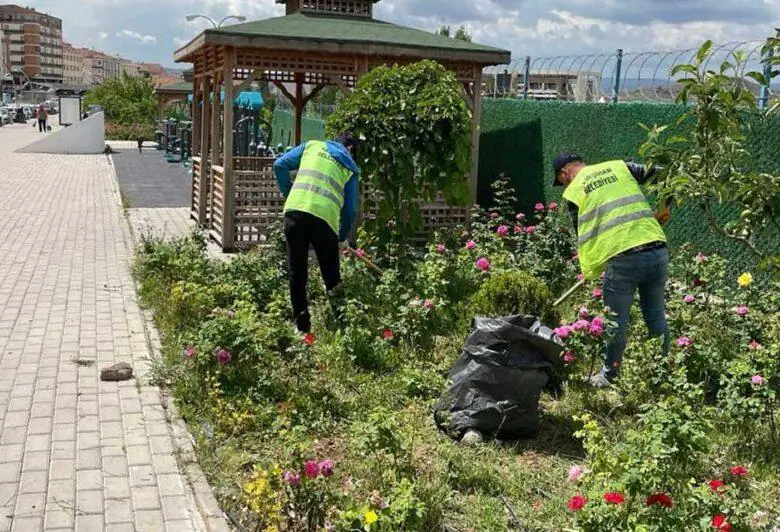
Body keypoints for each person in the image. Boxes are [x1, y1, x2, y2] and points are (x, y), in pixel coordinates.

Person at [553, 152, 671, 387]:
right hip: (657, 250)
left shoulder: (574, 191)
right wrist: (664, 209)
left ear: (565, 173)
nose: (564, 185)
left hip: (623, 258)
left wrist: (591, 268)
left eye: (561, 181)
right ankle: (662, 373)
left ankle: (610, 375)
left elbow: (583, 236)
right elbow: (666, 174)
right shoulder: (620, 167)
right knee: (656, 315)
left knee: (616, 322)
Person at [273, 133, 360, 334]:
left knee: (297, 271)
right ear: (350, 149)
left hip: (295, 212)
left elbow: (279, 165)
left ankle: (302, 329)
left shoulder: (311, 146)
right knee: (331, 275)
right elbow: (350, 211)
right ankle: (343, 327)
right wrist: (341, 237)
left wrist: (289, 193)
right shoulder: (350, 167)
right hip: (324, 220)